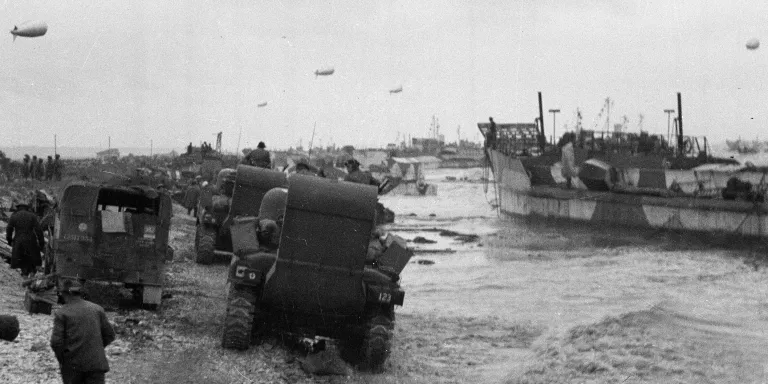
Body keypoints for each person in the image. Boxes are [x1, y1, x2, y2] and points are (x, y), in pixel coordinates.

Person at [50, 279, 116, 384]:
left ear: (64, 294)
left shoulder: (62, 313)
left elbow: (56, 342)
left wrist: (63, 360)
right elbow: (110, 335)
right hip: (96, 364)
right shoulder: (97, 309)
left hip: (73, 367)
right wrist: (93, 347)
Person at [5, 202, 45, 277]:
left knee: (21, 260)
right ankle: (31, 276)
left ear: (18, 208)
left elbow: (9, 229)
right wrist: (41, 243)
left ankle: (24, 276)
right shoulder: (32, 216)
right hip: (31, 240)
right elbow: (39, 230)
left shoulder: (14, 216)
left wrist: (9, 240)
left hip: (18, 240)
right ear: (27, 208)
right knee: (32, 259)